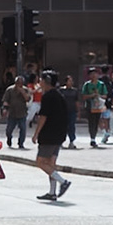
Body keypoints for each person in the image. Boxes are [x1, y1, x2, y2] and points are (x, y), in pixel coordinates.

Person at [31, 70, 74, 202]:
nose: (39, 82)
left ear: (46, 81)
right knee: (51, 164)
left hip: (49, 134)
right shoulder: (60, 95)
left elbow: (43, 117)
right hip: (59, 134)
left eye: (41, 80)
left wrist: (36, 133)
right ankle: (52, 192)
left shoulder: (48, 97)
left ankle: (63, 181)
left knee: (41, 161)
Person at [1, 74, 28, 149]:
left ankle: (21, 143)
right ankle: (9, 138)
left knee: (23, 128)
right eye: (18, 83)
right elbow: (5, 100)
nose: (19, 85)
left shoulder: (25, 89)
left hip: (22, 113)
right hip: (12, 113)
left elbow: (27, 99)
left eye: (21, 83)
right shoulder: (9, 90)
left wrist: (23, 92)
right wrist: (5, 109)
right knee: (9, 129)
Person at [81, 70, 107, 146]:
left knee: (96, 121)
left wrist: (98, 95)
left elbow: (105, 95)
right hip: (89, 106)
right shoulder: (87, 84)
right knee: (91, 122)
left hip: (98, 106)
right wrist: (92, 95)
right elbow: (84, 96)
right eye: (92, 74)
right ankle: (92, 138)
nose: (94, 75)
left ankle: (94, 136)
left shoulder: (101, 84)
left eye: (95, 74)